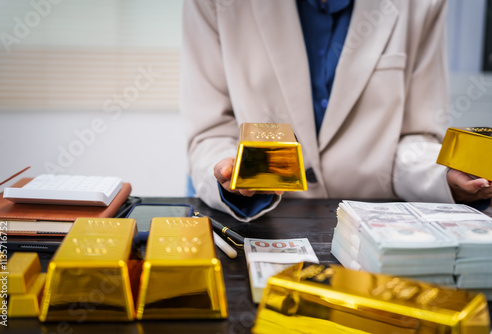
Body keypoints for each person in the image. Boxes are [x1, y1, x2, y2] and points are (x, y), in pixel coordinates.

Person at [180, 0, 492, 222]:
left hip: (374, 222)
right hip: (267, 219)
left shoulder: (423, 4)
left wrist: (443, 176)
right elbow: (211, 132)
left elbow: (415, 137)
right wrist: (231, 173)